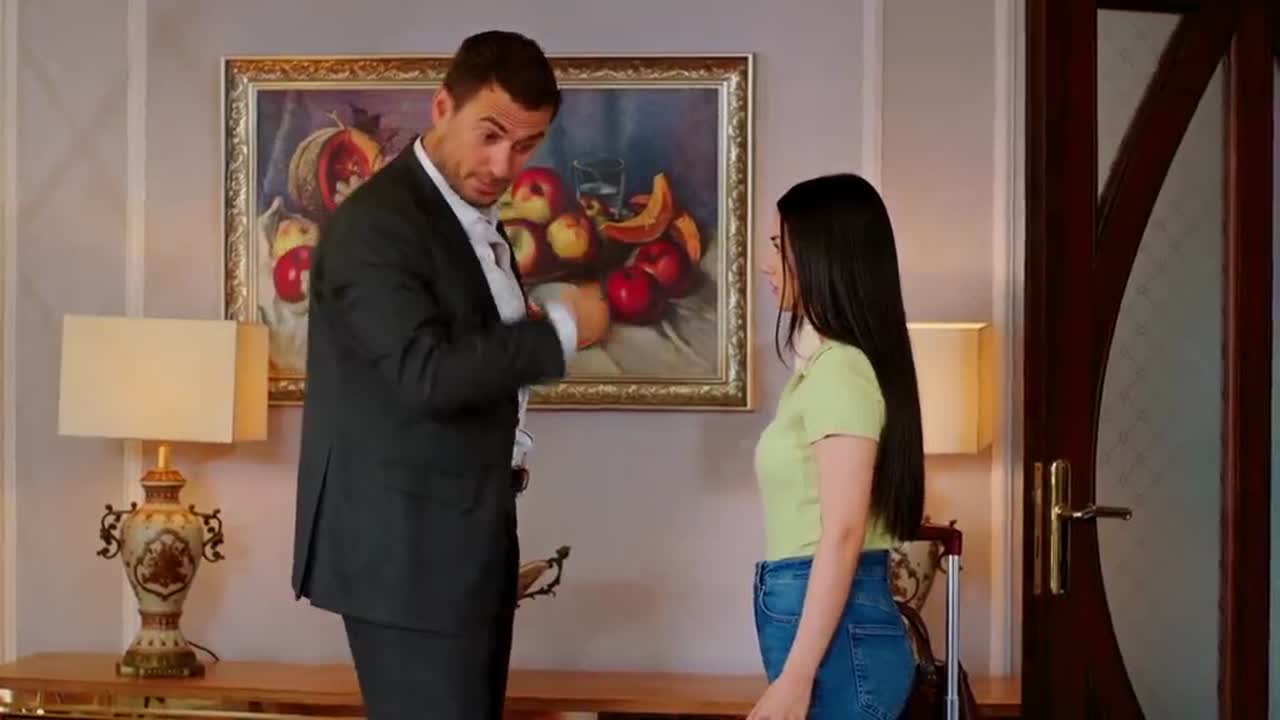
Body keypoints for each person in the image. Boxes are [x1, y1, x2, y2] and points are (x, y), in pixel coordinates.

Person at [290, 30, 580, 720]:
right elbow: (425, 373)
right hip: (407, 555)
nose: (504, 164)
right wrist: (565, 332)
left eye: (527, 145)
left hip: (461, 541)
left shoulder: (466, 218)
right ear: (442, 106)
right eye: (491, 135)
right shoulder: (379, 224)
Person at [749, 173, 925, 720]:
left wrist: (797, 677)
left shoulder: (841, 371)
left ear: (824, 255)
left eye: (778, 245)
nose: (766, 264)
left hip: (838, 628)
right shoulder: (824, 369)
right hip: (827, 619)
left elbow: (844, 531)